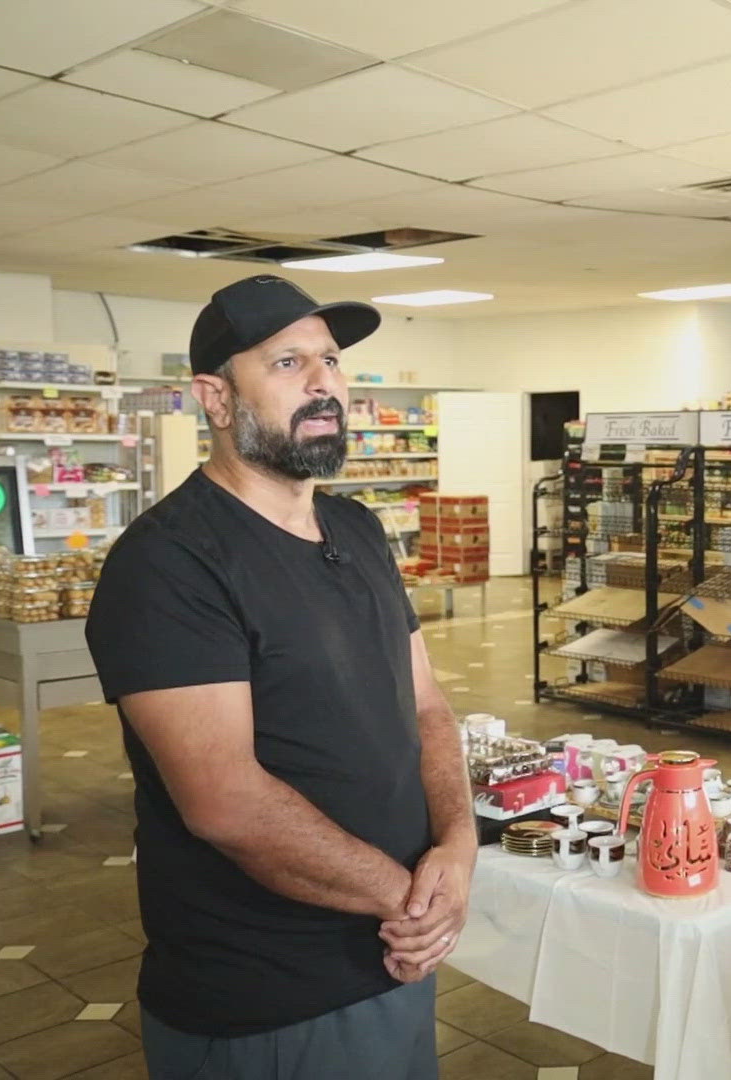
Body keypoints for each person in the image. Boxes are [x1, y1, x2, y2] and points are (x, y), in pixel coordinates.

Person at [85, 275, 475, 1079]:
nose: (325, 382)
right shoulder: (170, 563)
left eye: (331, 361)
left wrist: (459, 848)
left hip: (390, 956)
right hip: (266, 996)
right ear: (216, 398)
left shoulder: (359, 528)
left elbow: (427, 708)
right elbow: (226, 802)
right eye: (288, 362)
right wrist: (410, 900)